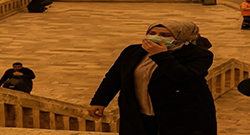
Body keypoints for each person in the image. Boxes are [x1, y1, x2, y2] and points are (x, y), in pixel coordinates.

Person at [88, 20, 217, 135]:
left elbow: (183, 76)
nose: (156, 37)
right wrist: (99, 101)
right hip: (138, 114)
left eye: (165, 35)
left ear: (182, 37)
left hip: (181, 116)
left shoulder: (199, 55)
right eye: (152, 33)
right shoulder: (132, 51)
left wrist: (160, 55)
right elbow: (114, 77)